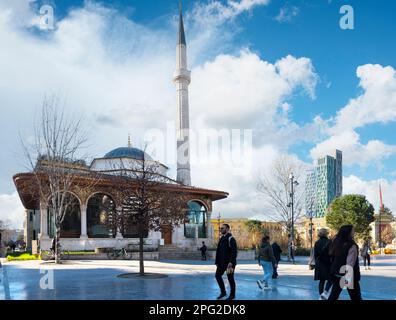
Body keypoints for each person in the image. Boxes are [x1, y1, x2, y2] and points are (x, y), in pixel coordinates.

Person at [328, 225, 362, 301]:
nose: (354, 232)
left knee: (334, 295)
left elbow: (332, 257)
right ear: (348, 233)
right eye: (353, 231)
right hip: (348, 275)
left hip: (337, 273)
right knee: (355, 296)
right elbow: (350, 263)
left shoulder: (336, 243)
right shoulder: (351, 245)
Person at [215, 224, 238, 300]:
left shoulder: (231, 239)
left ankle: (232, 295)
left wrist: (231, 262)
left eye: (222, 228)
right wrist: (217, 262)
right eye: (220, 228)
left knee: (230, 279)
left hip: (229, 264)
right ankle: (223, 292)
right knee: (217, 275)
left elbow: (234, 252)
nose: (221, 229)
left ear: (227, 229)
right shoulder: (221, 239)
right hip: (221, 263)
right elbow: (218, 251)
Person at [313, 228, 333, 299]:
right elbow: (332, 253)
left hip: (320, 263)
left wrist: (317, 262)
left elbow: (315, 254)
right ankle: (325, 292)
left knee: (322, 281)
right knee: (330, 279)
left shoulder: (317, 242)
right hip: (328, 263)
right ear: (326, 233)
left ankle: (321, 295)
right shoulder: (329, 242)